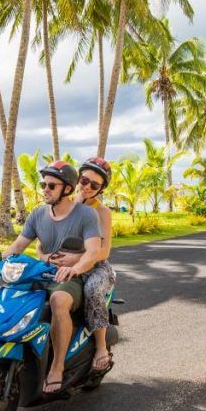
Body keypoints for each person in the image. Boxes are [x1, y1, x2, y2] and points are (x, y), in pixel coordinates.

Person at [0, 160, 102, 393]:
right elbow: (19, 244)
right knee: (13, 294)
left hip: (71, 276)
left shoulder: (86, 215)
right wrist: (2, 259)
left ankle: (57, 367)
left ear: (67, 189)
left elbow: (93, 251)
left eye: (51, 185)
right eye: (44, 184)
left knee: (59, 301)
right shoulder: (38, 214)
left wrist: (76, 268)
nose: (45, 190)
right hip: (42, 274)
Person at [73, 157, 116, 371]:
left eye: (95, 185)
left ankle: (100, 346)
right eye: (84, 180)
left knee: (91, 291)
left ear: (101, 189)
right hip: (68, 264)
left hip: (97, 267)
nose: (87, 187)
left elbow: (104, 250)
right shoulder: (66, 204)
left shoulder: (102, 212)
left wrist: (81, 261)